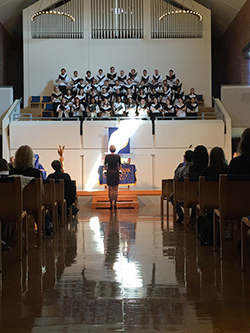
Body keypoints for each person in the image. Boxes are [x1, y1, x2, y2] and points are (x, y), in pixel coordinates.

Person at [104, 145, 121, 210]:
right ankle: (115, 203)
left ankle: (111, 204)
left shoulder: (107, 156)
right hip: (116, 173)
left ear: (110, 149)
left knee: (110, 189)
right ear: (115, 150)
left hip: (109, 173)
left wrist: (108, 170)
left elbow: (105, 166)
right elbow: (119, 165)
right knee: (115, 189)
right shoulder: (117, 156)